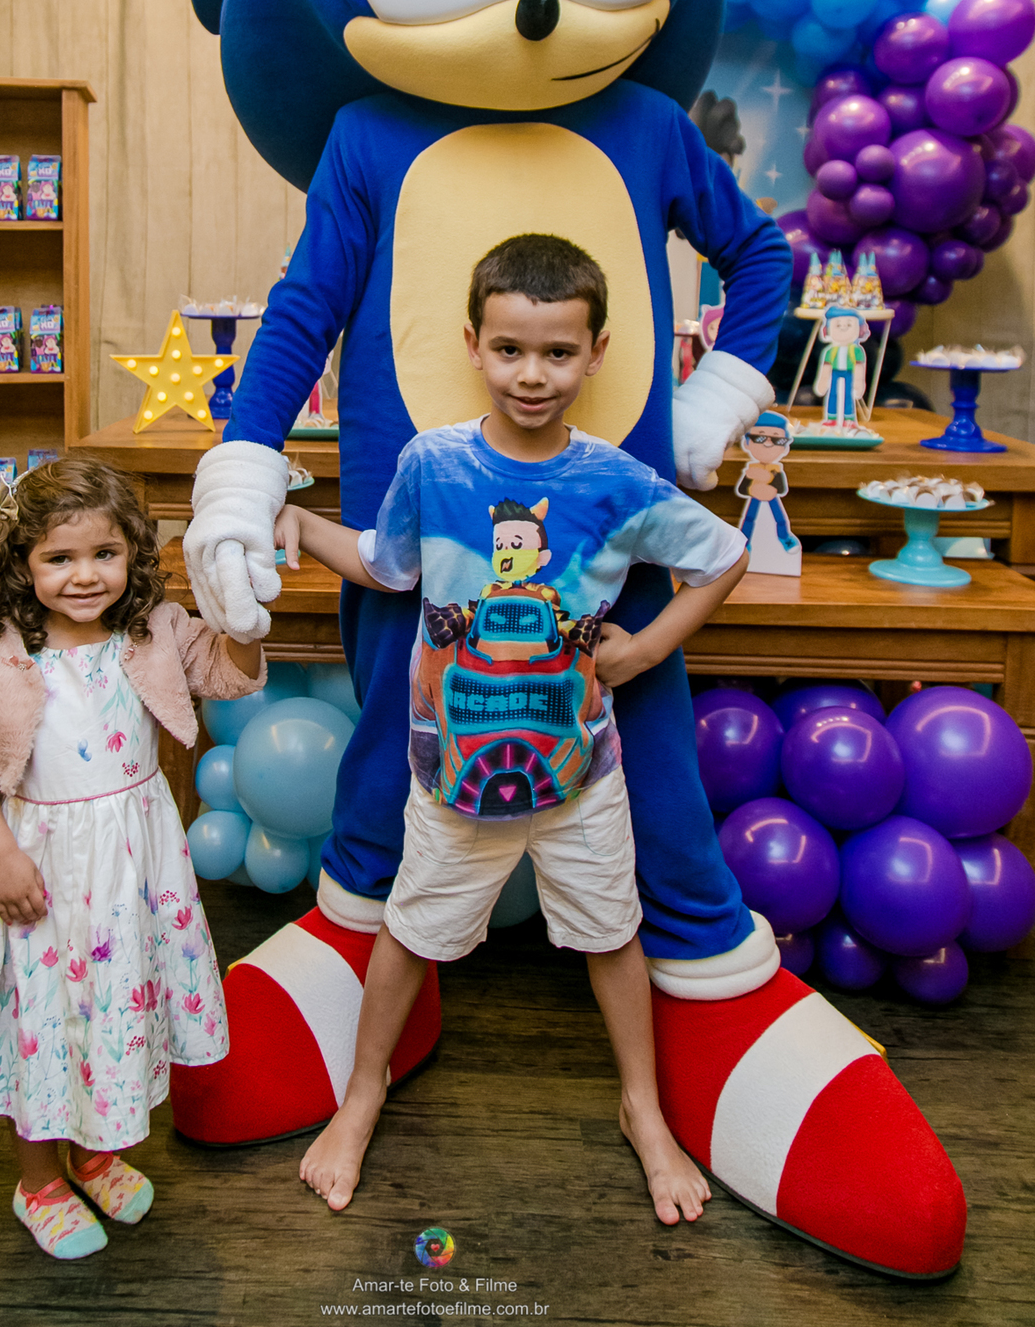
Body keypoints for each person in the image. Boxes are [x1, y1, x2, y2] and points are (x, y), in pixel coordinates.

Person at [273, 235, 749, 1222]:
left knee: (614, 934)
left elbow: (723, 556)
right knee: (408, 929)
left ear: (596, 352)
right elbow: (386, 566)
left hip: (582, 775)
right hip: (453, 775)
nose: (533, 375)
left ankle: (644, 1108)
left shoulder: (615, 482)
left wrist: (645, 649)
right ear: (474, 345)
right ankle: (362, 1095)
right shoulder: (433, 464)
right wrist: (298, 520)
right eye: (511, 350)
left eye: (558, 353)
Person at [0, 455, 265, 1260]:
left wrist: (244, 616)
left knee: (111, 1010)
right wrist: (0, 855)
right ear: (21, 564)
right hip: (40, 869)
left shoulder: (154, 631)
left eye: (105, 554)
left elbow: (230, 675)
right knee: (45, 1021)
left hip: (134, 868)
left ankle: (94, 1153)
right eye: (59, 558)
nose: (84, 576)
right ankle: (38, 1180)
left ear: (133, 553)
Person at [734, 410, 800, 554]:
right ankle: (745, 542)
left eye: (777, 440)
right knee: (749, 518)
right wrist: (751, 488)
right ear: (746, 443)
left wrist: (769, 479)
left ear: (784, 447)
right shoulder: (751, 470)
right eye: (759, 438)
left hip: (772, 496)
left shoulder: (776, 470)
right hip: (755, 495)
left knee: (780, 517)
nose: (768, 443)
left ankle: (784, 537)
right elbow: (742, 489)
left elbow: (781, 488)